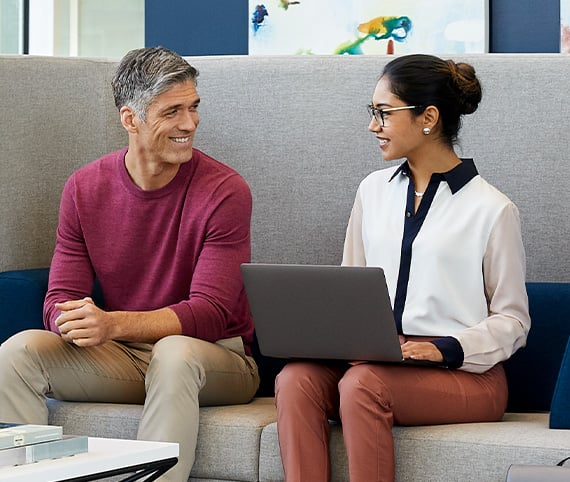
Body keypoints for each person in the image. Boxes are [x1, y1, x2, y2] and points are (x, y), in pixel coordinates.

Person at [0, 46, 260, 481]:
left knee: (174, 354)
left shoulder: (226, 191)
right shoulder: (84, 188)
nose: (190, 124)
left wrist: (113, 324)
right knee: (18, 352)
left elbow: (212, 314)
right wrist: (70, 319)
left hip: (216, 358)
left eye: (194, 107)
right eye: (172, 111)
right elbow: (60, 296)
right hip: (123, 358)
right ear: (130, 119)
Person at [274, 53, 531, 482]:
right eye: (372, 113)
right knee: (295, 379)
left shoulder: (493, 209)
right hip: (377, 358)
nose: (372, 126)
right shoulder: (372, 192)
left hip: (465, 375)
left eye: (384, 113)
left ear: (428, 117)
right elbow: (349, 285)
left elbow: (513, 320)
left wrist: (443, 347)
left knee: (363, 386)